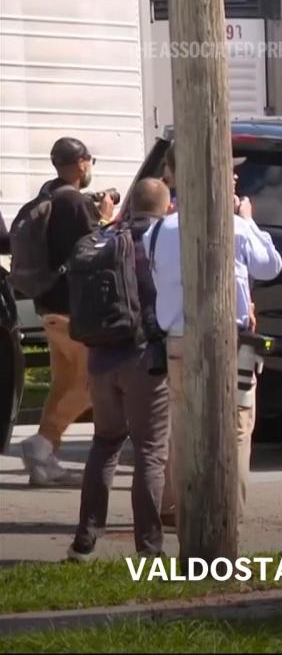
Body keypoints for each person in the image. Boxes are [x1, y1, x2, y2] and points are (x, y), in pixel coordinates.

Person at [151, 147, 282, 526]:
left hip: (177, 340)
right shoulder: (237, 226)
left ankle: (174, 508)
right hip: (231, 344)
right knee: (237, 428)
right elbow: (271, 266)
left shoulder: (161, 229)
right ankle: (228, 517)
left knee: (182, 425)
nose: (236, 179)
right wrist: (248, 220)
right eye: (228, 171)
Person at [67, 179, 171, 561]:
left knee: (105, 443)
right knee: (150, 451)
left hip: (99, 356)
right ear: (164, 207)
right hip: (143, 357)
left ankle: (85, 539)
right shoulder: (162, 238)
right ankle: (149, 549)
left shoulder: (106, 236)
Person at [18, 138, 114, 487]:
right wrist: (104, 220)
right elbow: (95, 250)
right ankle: (42, 443)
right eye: (89, 160)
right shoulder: (73, 201)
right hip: (72, 310)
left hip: (48, 306)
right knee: (90, 383)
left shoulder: (48, 194)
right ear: (82, 163)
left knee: (64, 383)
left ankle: (45, 460)